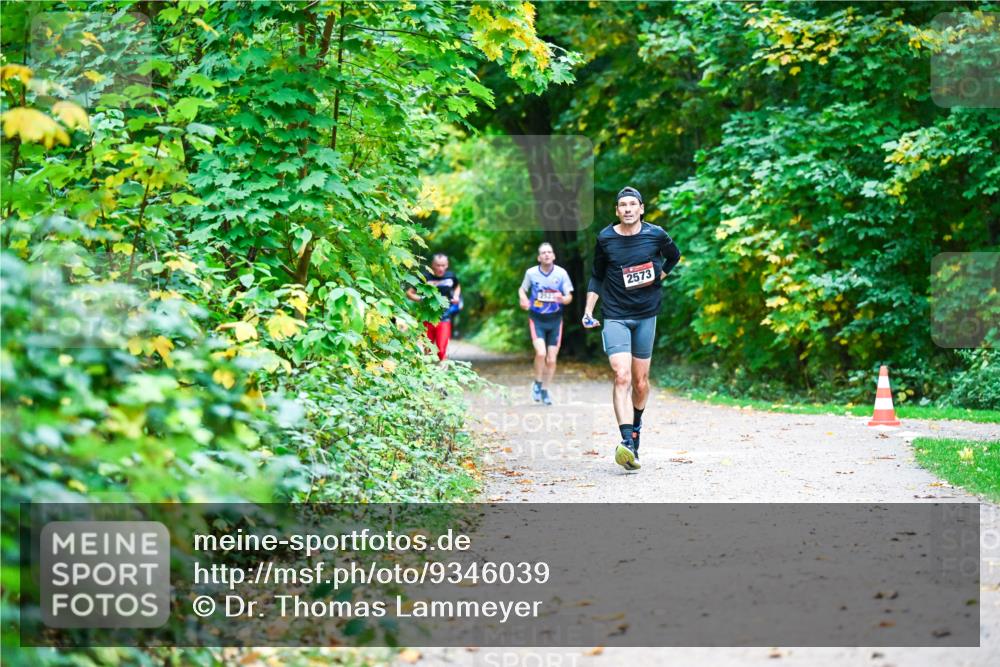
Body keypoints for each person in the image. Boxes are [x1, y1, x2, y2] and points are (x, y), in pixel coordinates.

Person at [582, 186, 681, 471]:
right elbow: (597, 276)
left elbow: (674, 256)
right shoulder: (605, 238)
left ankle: (636, 427)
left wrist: (658, 276)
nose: (627, 209)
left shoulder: (656, 235)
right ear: (617, 210)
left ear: (641, 208)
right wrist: (589, 310)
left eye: (632, 204)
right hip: (615, 315)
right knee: (621, 375)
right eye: (622, 205)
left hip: (646, 314)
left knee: (640, 382)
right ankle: (626, 442)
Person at [518, 242, 574, 405]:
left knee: (551, 359)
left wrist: (564, 299)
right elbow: (522, 289)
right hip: (537, 318)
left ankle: (545, 389)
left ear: (554, 256)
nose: (547, 255)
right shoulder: (531, 273)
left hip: (555, 320)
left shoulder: (561, 273)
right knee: (541, 353)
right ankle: (537, 383)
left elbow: (569, 296)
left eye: (549, 252)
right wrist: (523, 298)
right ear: (539, 257)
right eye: (543, 253)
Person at [406, 253, 461, 361]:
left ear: (447, 265)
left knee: (441, 349)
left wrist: (456, 296)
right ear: (432, 265)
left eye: (443, 265)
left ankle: (443, 369)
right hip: (427, 316)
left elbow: (457, 286)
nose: (441, 268)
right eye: (438, 265)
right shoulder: (425, 277)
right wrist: (421, 299)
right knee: (427, 349)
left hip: (445, 315)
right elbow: (409, 293)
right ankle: (427, 373)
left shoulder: (451, 276)